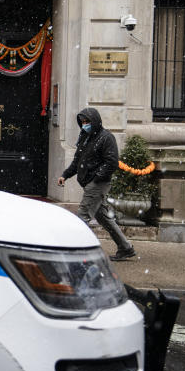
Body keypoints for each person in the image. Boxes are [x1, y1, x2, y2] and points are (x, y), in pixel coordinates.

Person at [58, 108, 136, 260]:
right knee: (104, 218)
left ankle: (73, 252)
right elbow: (77, 161)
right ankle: (125, 248)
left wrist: (96, 177)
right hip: (91, 182)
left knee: (82, 216)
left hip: (97, 183)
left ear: (95, 121)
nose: (85, 124)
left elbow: (112, 162)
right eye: (83, 122)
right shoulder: (85, 136)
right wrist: (65, 175)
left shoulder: (106, 138)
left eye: (87, 122)